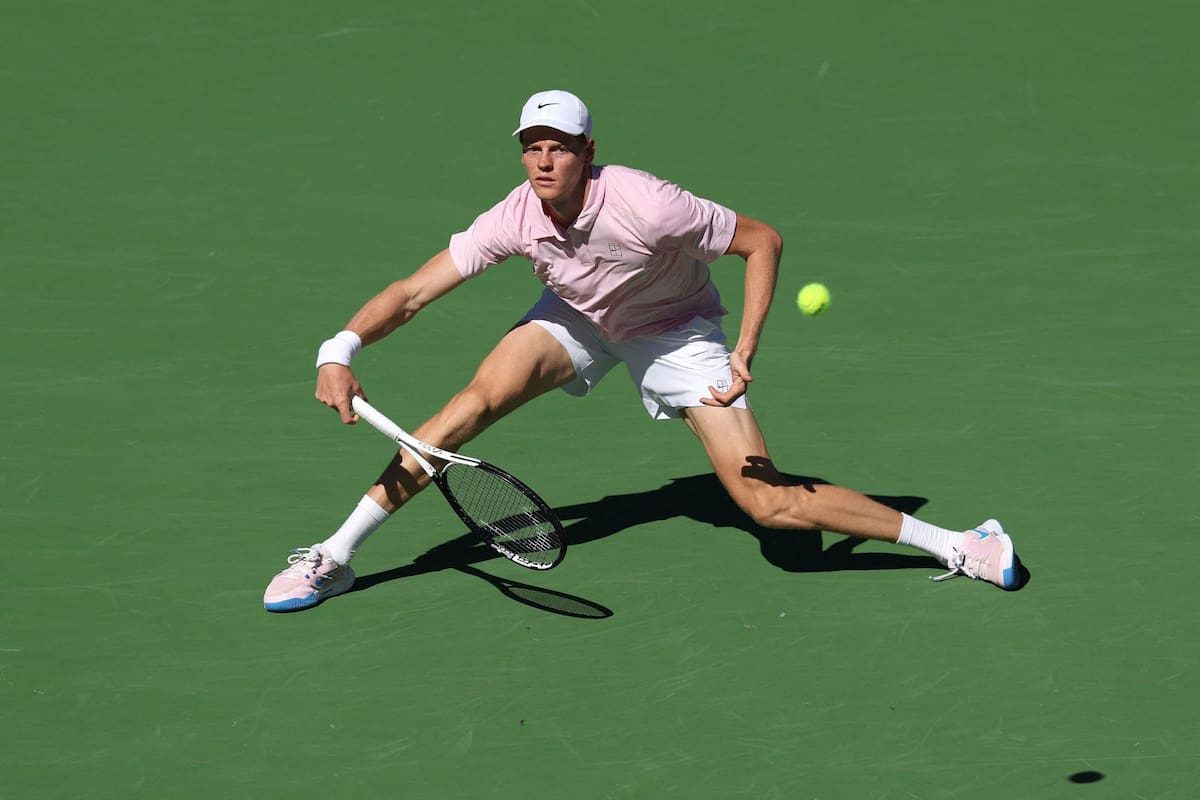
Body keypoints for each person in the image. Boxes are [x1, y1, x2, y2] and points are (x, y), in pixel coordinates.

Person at [263, 90, 1022, 612]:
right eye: (532, 147)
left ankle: (960, 542)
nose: (543, 162)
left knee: (769, 506)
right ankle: (334, 556)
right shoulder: (515, 215)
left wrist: (745, 346)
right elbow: (414, 291)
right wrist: (341, 346)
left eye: (558, 147)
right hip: (580, 317)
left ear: (588, 151)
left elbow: (762, 241)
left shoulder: (650, 205)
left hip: (676, 330)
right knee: (467, 408)